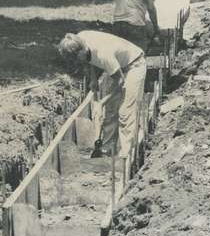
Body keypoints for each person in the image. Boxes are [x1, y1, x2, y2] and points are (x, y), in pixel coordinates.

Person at [58, 30, 146, 160]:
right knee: (110, 111)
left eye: (76, 59)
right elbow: (89, 59)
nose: (76, 62)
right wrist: (93, 79)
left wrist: (102, 102)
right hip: (117, 67)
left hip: (134, 65)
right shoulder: (81, 38)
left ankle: (125, 157)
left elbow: (120, 82)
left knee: (125, 112)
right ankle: (106, 150)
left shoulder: (104, 55)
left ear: (81, 50)